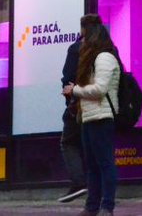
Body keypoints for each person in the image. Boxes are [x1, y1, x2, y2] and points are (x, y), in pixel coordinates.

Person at [63, 15, 120, 216]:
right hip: (89, 116)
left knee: (104, 163)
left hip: (101, 117)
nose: (82, 42)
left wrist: (75, 90)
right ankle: (92, 206)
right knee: (93, 165)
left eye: (84, 37)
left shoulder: (104, 57)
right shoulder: (95, 58)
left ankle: (106, 206)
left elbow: (100, 89)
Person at [56, 24, 90, 204]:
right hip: (102, 109)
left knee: (68, 142)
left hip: (79, 105)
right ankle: (101, 192)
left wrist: (69, 97)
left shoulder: (76, 49)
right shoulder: (109, 49)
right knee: (94, 147)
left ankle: (79, 182)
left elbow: (67, 76)